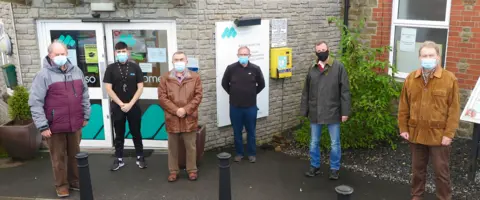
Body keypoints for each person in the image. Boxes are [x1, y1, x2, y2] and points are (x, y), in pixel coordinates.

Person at [398, 41, 460, 200]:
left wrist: (449, 134)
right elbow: (403, 106)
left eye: (431, 55)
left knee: (441, 172)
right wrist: (403, 128)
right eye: (424, 55)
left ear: (438, 57)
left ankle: (444, 197)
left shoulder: (449, 79)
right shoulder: (411, 78)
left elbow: (454, 110)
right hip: (416, 134)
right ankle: (416, 196)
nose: (428, 58)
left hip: (438, 136)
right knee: (417, 171)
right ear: (419, 57)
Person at [28, 41, 91, 197]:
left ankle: (75, 181)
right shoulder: (43, 75)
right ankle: (61, 185)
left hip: (75, 123)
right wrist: (43, 126)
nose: (61, 57)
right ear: (50, 55)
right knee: (58, 158)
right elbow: (35, 102)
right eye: (57, 55)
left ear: (67, 54)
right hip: (54, 126)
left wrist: (86, 115)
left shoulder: (76, 71)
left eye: (63, 54)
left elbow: (84, 95)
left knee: (75, 155)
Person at [300, 41, 351, 180]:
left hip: (333, 111)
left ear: (328, 49)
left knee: (335, 143)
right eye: (319, 50)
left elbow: (345, 91)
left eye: (324, 49)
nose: (322, 52)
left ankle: (334, 168)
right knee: (314, 142)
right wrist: (304, 111)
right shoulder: (312, 68)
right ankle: (314, 166)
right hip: (315, 112)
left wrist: (345, 112)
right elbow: (306, 91)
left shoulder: (338, 67)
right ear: (316, 52)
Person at [158, 51, 203, 182]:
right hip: (172, 118)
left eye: (181, 59)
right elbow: (162, 97)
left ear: (186, 61)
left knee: (191, 147)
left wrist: (186, 110)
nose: (179, 62)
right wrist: (176, 110)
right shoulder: (165, 78)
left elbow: (198, 96)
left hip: (189, 118)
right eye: (176, 60)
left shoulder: (195, 77)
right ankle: (173, 171)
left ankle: (192, 170)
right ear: (172, 62)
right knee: (173, 148)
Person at [103, 42, 146, 171]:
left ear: (128, 52)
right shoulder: (110, 68)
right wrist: (121, 104)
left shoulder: (135, 67)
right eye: (119, 51)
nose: (121, 54)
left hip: (133, 105)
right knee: (119, 133)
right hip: (118, 107)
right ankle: (119, 158)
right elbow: (108, 88)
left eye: (123, 51)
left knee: (136, 132)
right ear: (116, 53)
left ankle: (140, 156)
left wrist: (130, 104)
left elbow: (140, 87)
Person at [221, 46, 265, 163]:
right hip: (235, 107)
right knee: (237, 131)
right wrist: (233, 93)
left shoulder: (255, 69)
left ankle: (251, 153)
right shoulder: (231, 69)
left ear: (249, 55)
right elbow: (224, 83)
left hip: (250, 107)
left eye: (245, 54)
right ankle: (239, 153)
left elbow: (262, 84)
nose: (243, 56)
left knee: (251, 131)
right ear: (237, 55)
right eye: (241, 54)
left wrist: (252, 93)